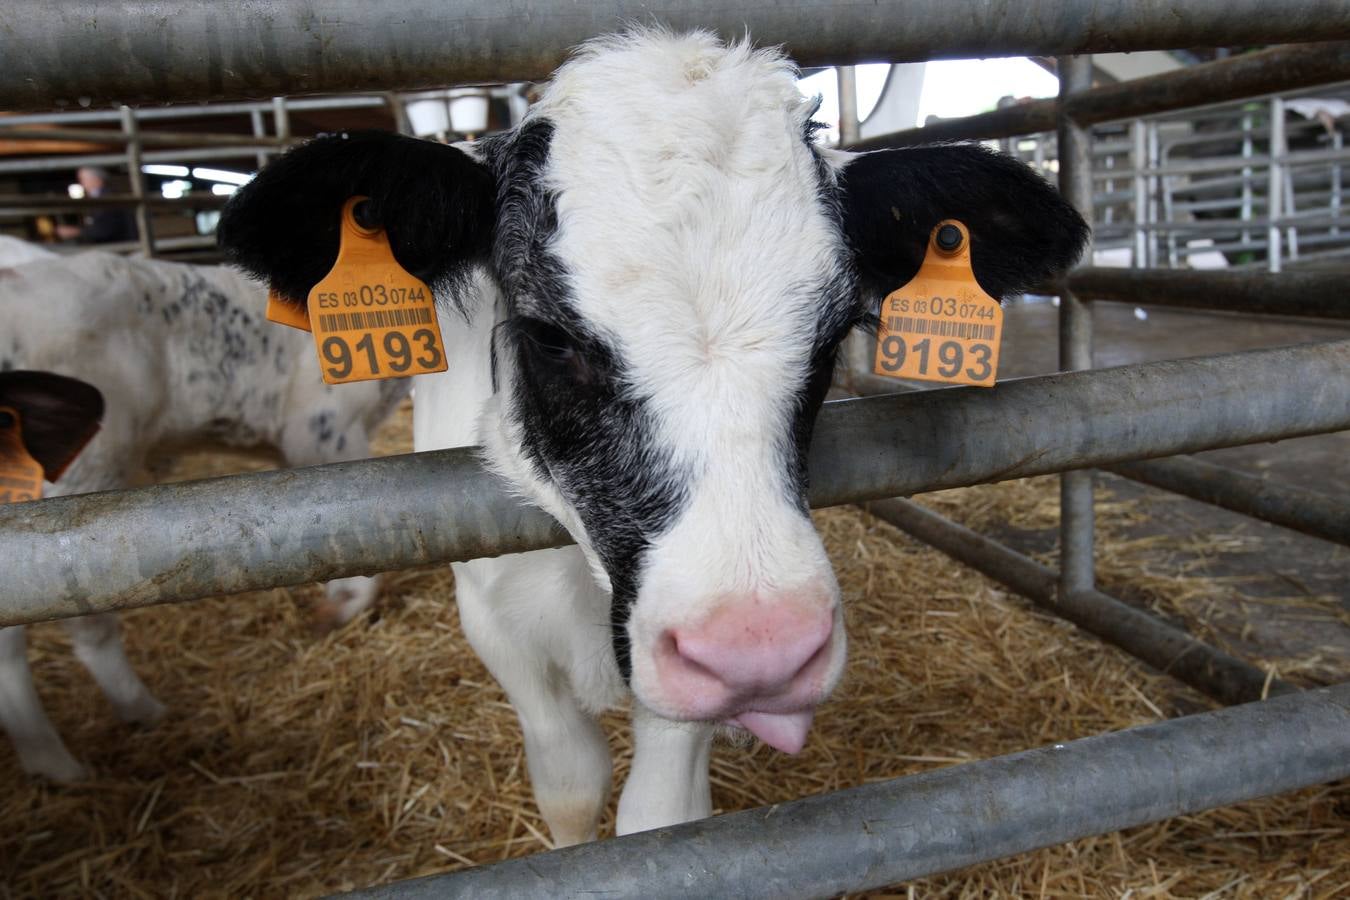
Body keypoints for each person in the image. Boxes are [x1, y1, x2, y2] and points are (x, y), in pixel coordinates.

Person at [55, 167, 138, 244]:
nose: (82, 184)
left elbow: (105, 229)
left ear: (95, 179)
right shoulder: (102, 196)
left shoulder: (107, 198)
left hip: (117, 245)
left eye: (83, 179)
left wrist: (76, 232)